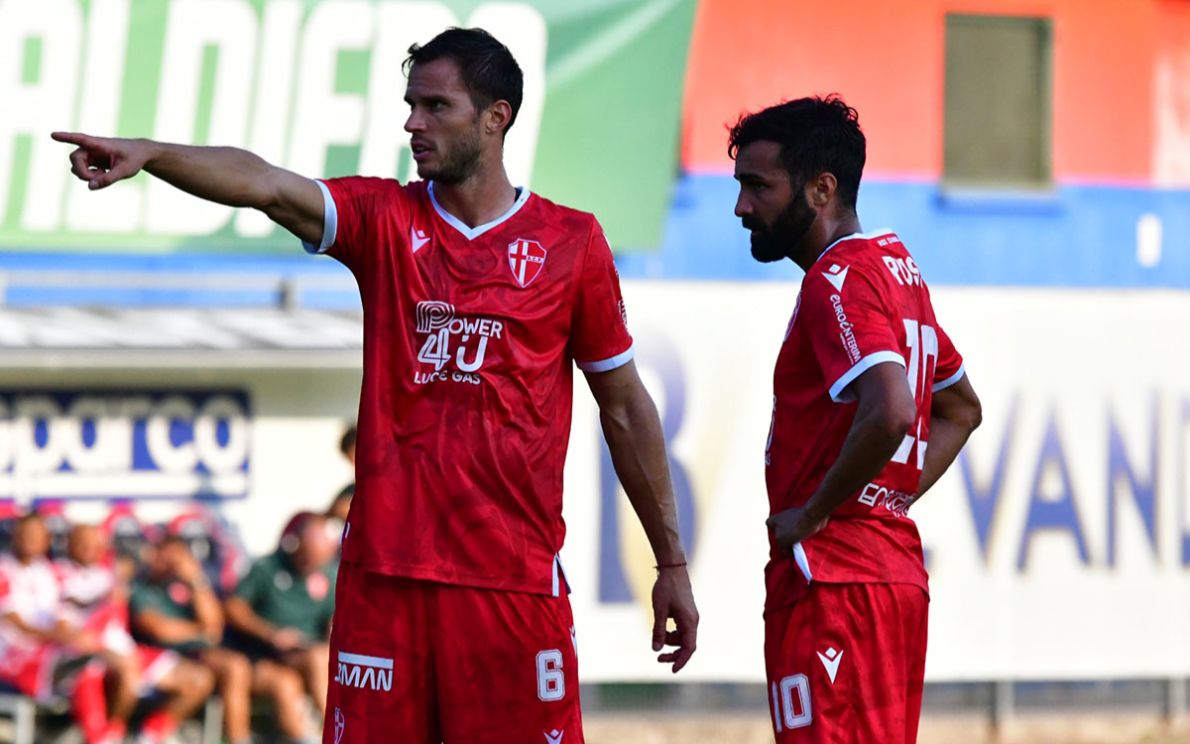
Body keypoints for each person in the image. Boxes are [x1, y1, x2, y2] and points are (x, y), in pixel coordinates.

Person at [55, 26, 697, 743]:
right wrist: (152, 155)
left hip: (509, 585)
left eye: (435, 106)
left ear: (497, 116)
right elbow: (265, 183)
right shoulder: (385, 218)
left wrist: (670, 561)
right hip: (385, 582)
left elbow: (625, 406)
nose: (413, 123)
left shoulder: (570, 243)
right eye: (410, 105)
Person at [728, 95, 982, 742]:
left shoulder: (836, 279)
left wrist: (817, 512)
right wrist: (882, 500)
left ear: (821, 189)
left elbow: (893, 409)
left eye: (758, 186)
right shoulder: (895, 270)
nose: (741, 207)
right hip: (891, 576)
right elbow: (960, 409)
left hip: (833, 584)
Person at [58, 524, 214, 744]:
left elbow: (213, 627)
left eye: (95, 543)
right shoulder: (57, 573)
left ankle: (150, 736)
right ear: (69, 545)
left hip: (125, 651)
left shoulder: (114, 571)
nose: (89, 548)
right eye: (82, 542)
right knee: (128, 672)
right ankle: (112, 734)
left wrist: (193, 576)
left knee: (200, 679)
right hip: (84, 655)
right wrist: (105, 597)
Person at [128, 537, 262, 744]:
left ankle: (238, 738)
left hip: (196, 655)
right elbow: (160, 630)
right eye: (165, 557)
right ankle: (151, 733)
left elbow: (214, 626)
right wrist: (200, 629)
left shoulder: (186, 589)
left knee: (234, 668)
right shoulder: (141, 587)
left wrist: (195, 579)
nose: (170, 564)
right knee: (225, 669)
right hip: (158, 656)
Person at [0, 515, 115, 743]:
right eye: (25, 534)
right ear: (14, 536)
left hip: (48, 650)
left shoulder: (49, 571)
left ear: (47, 540)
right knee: (85, 665)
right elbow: (14, 622)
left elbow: (63, 612)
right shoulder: (4, 569)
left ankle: (103, 735)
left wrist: (73, 635)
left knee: (93, 665)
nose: (30, 540)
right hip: (11, 657)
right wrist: (64, 636)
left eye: (36, 535)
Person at [224, 512, 337, 739]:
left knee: (319, 658)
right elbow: (234, 608)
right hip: (262, 657)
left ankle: (334, 730)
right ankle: (321, 734)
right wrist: (270, 633)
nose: (311, 565)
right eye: (308, 557)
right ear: (297, 546)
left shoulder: (327, 575)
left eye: (318, 560)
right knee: (286, 685)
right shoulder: (266, 568)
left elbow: (332, 619)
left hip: (305, 654)